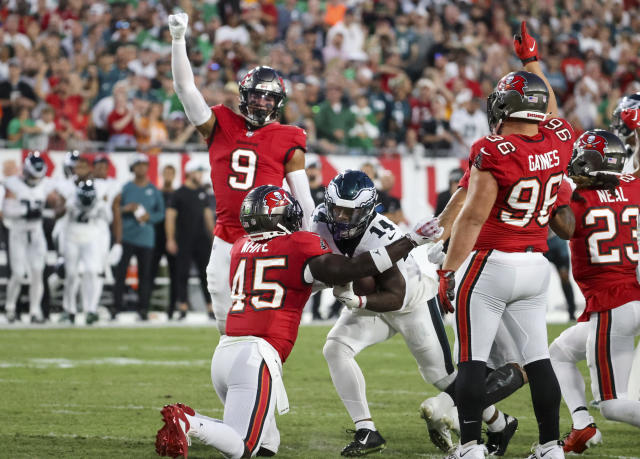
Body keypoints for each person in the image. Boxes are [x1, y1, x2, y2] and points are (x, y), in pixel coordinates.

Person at [155, 184, 442, 459]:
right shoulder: (298, 245)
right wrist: (411, 240)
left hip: (224, 354)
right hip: (255, 356)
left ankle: (189, 418)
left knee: (268, 444)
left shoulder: (239, 247)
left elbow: (295, 277)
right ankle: (187, 423)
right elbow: (355, 268)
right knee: (244, 447)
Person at [438, 23, 573, 459]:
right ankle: (551, 446)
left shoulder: (493, 149)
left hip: (493, 261)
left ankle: (471, 446)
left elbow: (473, 216)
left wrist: (448, 270)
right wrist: (531, 62)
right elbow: (548, 107)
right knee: (538, 358)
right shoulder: (559, 138)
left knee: (472, 361)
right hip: (536, 265)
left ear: (506, 106)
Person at [169, 12, 315, 335]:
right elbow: (184, 88)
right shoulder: (220, 123)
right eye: (256, 95)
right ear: (243, 95)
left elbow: (303, 200)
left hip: (266, 240)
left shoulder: (290, 137)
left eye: (268, 97)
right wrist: (178, 40)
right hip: (225, 237)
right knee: (225, 325)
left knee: (263, 324)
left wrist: (312, 246)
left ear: (278, 102)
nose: (261, 102)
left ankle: (262, 374)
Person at [312, 170, 455, 455]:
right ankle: (367, 430)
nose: (339, 217)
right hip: (369, 298)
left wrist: (357, 302)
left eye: (347, 211)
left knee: (442, 379)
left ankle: (498, 422)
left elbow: (395, 296)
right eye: (335, 207)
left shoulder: (382, 234)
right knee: (336, 348)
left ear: (366, 211)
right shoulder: (320, 219)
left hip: (411, 302)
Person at [549, 129, 640, 449]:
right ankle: (582, 425)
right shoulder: (633, 187)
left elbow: (563, 229)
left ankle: (589, 421)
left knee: (613, 405)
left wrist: (552, 188)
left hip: (611, 304)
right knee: (559, 352)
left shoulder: (577, 198)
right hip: (630, 297)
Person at [2, 152, 56, 323]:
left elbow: (56, 205)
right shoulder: (13, 184)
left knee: (37, 273)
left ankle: (35, 311)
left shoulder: (46, 184)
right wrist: (25, 211)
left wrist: (50, 208)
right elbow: (7, 212)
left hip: (36, 231)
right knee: (17, 274)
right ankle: (10, 308)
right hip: (18, 231)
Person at [112, 154, 165, 320]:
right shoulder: (126, 188)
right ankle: (116, 307)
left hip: (146, 238)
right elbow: (115, 210)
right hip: (127, 236)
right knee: (121, 273)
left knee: (145, 275)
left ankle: (143, 309)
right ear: (133, 168)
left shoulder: (154, 190)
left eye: (144, 165)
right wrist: (125, 209)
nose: (141, 168)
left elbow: (161, 214)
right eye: (138, 165)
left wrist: (149, 217)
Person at [165, 160, 215, 320]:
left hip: (202, 240)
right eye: (198, 172)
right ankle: (183, 307)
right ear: (190, 173)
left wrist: (215, 237)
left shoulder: (203, 193)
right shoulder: (179, 193)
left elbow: (208, 217)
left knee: (205, 274)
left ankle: (210, 307)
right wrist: (171, 239)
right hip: (184, 239)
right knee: (182, 274)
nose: (200, 176)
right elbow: (170, 218)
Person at [60, 180, 111, 325]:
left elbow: (108, 219)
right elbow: (60, 221)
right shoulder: (71, 202)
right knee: (71, 274)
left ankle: (91, 309)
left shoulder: (100, 204)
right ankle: (69, 310)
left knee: (91, 271)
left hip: (90, 236)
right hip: (72, 237)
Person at [151, 165, 178, 319]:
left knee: (174, 274)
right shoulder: (157, 194)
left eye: (170, 173)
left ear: (174, 175)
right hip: (156, 239)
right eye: (166, 173)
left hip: (172, 240)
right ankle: (146, 307)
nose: (168, 176)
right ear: (162, 174)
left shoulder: (177, 194)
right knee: (150, 273)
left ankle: (172, 309)